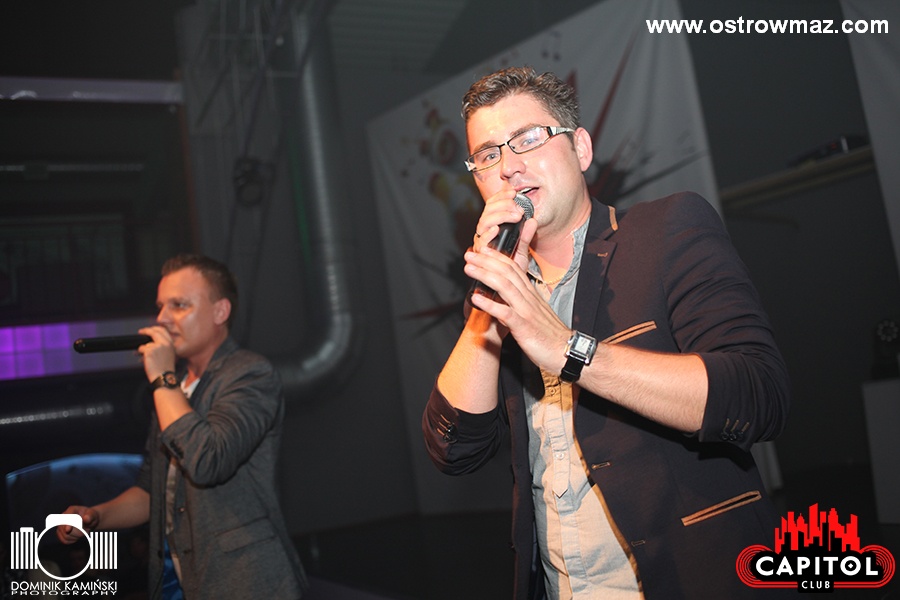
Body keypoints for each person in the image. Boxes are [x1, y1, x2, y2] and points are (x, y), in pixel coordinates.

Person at [422, 67, 793, 599]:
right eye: (487, 155)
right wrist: (491, 292)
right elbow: (454, 450)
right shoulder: (500, 294)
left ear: (581, 149)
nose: (508, 166)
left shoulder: (667, 229)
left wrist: (566, 349)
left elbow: (758, 396)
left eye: (528, 138)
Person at [57, 254, 308, 599]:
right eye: (161, 306)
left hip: (248, 583)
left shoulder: (249, 374)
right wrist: (96, 516)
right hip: (182, 583)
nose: (162, 318)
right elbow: (151, 491)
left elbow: (208, 461)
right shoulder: (172, 389)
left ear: (220, 312)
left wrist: (162, 378)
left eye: (179, 305)